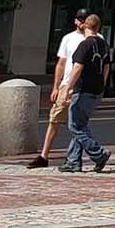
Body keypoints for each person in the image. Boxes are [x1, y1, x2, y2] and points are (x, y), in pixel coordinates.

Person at [28, 9, 87, 169]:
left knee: (78, 124)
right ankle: (44, 155)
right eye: (80, 19)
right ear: (75, 21)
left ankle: (74, 158)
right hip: (66, 84)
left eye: (85, 19)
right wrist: (56, 86)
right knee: (54, 119)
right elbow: (61, 63)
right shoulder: (68, 38)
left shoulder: (96, 39)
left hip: (84, 86)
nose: (82, 22)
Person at [58, 12, 111, 173]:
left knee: (75, 126)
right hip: (96, 89)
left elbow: (77, 68)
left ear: (86, 26)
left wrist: (67, 88)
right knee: (81, 124)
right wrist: (103, 81)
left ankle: (98, 153)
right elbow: (107, 65)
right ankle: (73, 161)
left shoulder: (85, 45)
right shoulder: (103, 44)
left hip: (83, 89)